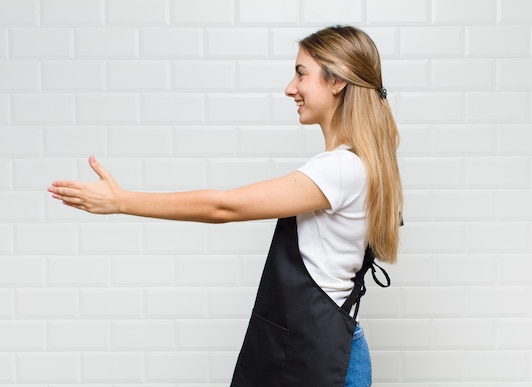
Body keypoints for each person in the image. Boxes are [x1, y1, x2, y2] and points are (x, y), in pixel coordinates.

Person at [48, 25, 403, 387]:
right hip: (317, 347)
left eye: (301, 73)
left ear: (337, 82)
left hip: (325, 356)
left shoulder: (339, 168)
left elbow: (223, 207)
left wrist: (121, 201)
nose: (289, 88)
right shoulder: (357, 162)